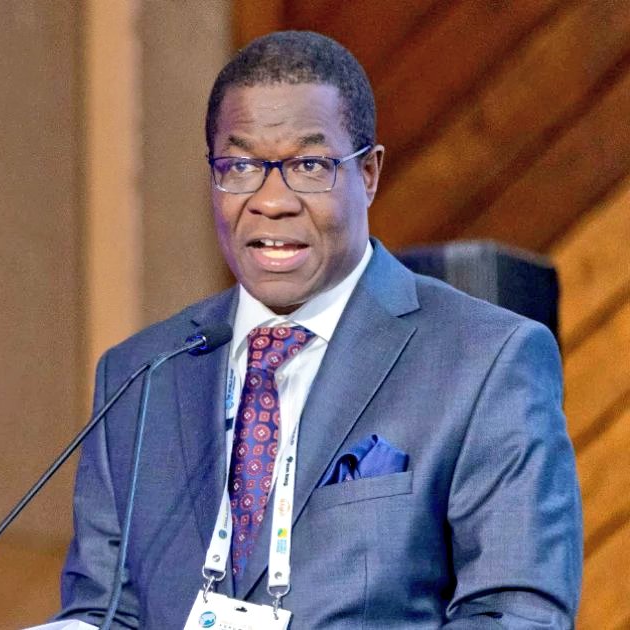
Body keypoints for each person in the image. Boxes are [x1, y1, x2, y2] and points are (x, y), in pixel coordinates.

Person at [57, 31, 582, 628]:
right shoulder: (140, 375)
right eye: (241, 166)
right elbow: (103, 611)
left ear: (369, 173)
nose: (271, 201)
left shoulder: (487, 360)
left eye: (308, 166)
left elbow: (516, 614)